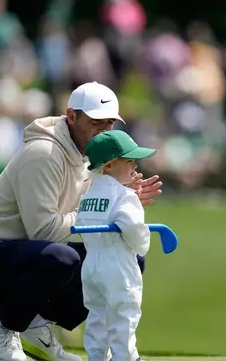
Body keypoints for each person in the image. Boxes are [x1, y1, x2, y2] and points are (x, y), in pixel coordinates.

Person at [0, 82, 162, 361]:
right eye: (95, 122)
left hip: (30, 259)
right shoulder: (43, 153)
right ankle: (2, 328)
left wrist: (120, 201)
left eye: (109, 124)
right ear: (72, 116)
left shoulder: (94, 158)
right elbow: (44, 230)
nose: (102, 130)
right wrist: (100, 211)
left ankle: (34, 326)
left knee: (125, 258)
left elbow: (85, 220)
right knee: (62, 257)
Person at [76, 130, 156, 361]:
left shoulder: (88, 195)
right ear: (109, 166)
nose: (135, 165)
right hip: (118, 264)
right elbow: (132, 227)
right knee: (124, 315)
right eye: (129, 160)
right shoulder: (125, 195)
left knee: (97, 316)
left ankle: (97, 356)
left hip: (91, 265)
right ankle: (126, 357)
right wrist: (143, 245)